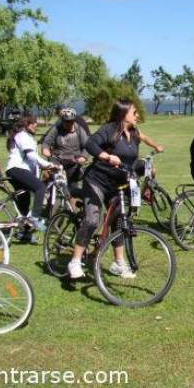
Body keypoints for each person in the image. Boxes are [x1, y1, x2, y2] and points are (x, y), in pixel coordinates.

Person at [67, 99, 164, 279]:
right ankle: (74, 261)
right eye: (134, 112)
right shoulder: (110, 129)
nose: (137, 115)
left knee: (119, 221)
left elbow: (130, 160)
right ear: (123, 113)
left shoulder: (134, 134)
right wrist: (106, 156)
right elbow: (90, 144)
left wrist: (146, 168)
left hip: (116, 185)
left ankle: (118, 263)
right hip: (97, 180)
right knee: (92, 220)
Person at [6, 115, 57, 238]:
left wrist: (43, 167)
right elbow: (31, 156)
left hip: (15, 170)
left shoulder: (25, 136)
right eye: (33, 123)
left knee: (24, 202)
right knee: (40, 188)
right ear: (26, 124)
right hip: (17, 169)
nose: (36, 125)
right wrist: (47, 164)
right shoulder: (22, 136)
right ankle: (34, 218)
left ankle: (23, 233)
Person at [41, 107, 89, 200]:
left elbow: (87, 146)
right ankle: (50, 206)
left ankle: (73, 211)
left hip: (74, 162)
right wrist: (46, 150)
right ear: (62, 120)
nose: (68, 124)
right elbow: (46, 143)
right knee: (54, 186)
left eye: (71, 121)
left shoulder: (79, 130)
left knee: (73, 189)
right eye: (66, 121)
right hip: (58, 161)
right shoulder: (56, 129)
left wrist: (83, 157)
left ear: (74, 120)